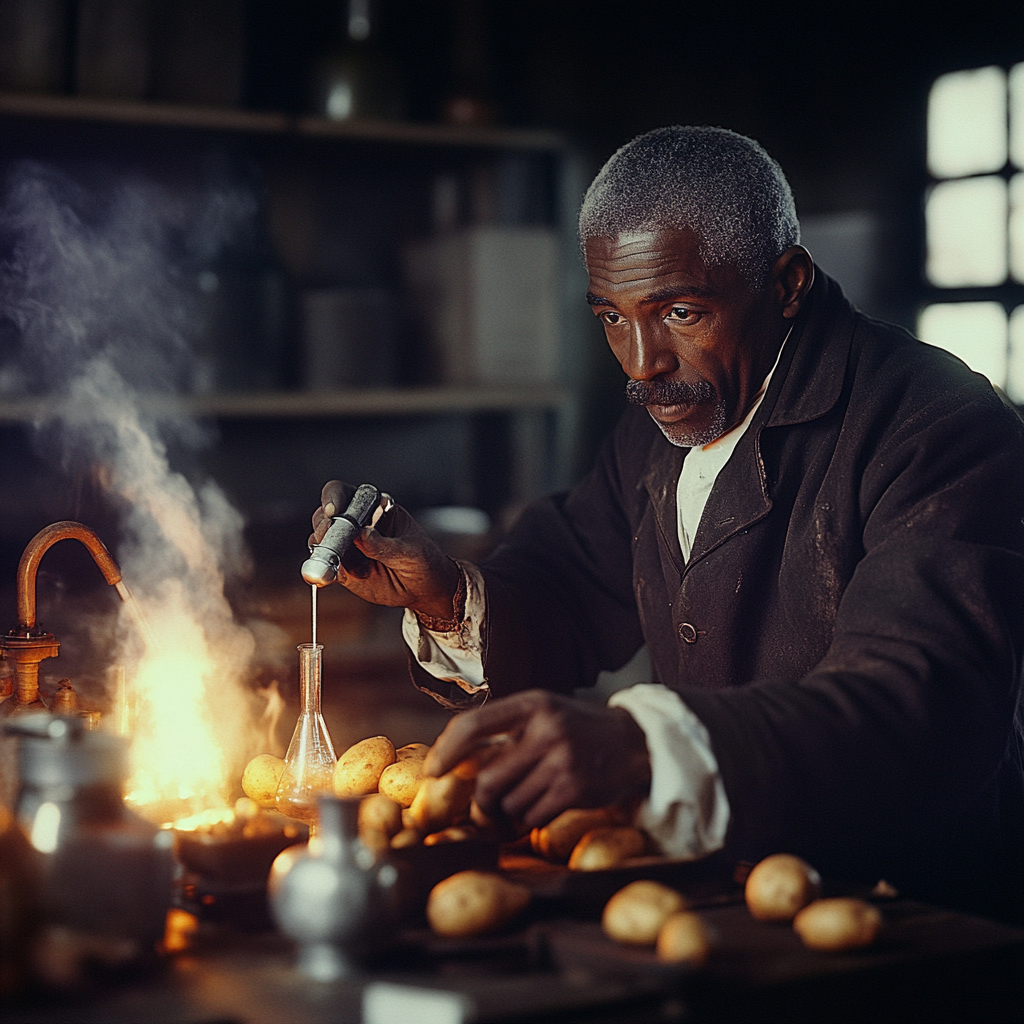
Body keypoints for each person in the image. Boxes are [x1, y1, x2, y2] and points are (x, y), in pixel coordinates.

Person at [312, 126, 1024, 922]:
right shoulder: (673, 415)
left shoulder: (937, 427)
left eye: (681, 311)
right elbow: (572, 582)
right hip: (726, 907)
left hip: (917, 920)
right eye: (611, 316)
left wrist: (647, 747)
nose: (642, 361)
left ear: (787, 283)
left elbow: (916, 702)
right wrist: (441, 595)